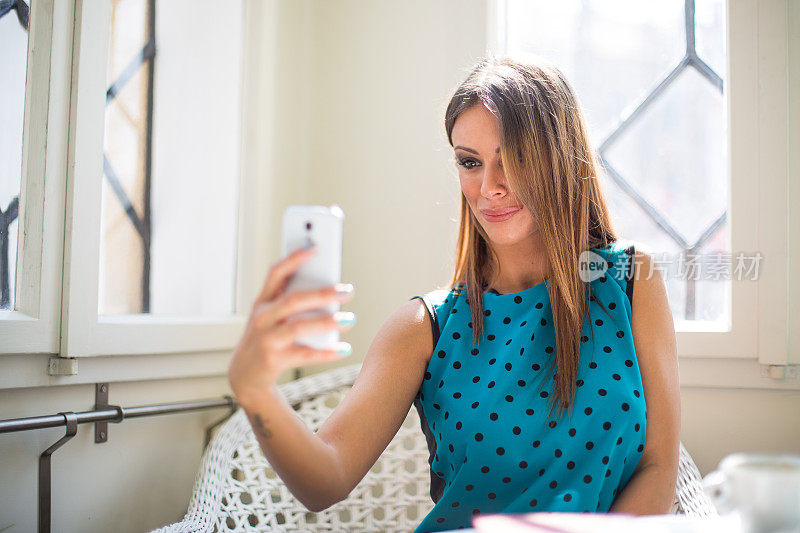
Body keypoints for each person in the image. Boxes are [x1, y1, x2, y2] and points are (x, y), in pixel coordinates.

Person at [227, 56, 681, 532]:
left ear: (559, 158)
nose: (490, 188)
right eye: (470, 162)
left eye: (515, 160)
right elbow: (325, 481)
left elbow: (658, 466)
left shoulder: (631, 280)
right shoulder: (424, 327)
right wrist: (256, 390)